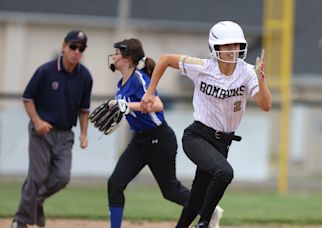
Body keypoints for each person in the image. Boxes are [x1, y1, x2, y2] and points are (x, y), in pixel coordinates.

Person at [140, 21, 272, 228]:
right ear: (215, 48)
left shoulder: (247, 72)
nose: (233, 50)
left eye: (236, 45)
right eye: (227, 46)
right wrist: (149, 92)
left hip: (223, 143)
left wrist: (261, 79)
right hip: (197, 136)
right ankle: (204, 223)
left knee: (197, 196)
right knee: (225, 173)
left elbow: (265, 105)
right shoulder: (202, 67)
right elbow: (165, 59)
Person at [106, 38, 223, 228]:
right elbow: (128, 110)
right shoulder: (122, 83)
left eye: (117, 53)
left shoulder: (139, 79)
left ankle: (208, 210)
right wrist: (118, 109)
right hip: (139, 141)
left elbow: (158, 105)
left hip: (159, 139)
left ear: (128, 58)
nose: (114, 56)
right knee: (115, 183)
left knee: (170, 191)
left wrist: (127, 105)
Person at [12, 30, 93, 228]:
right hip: (42, 131)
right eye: (73, 47)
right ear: (64, 47)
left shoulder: (85, 77)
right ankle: (21, 221)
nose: (76, 51)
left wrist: (84, 133)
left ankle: (35, 203)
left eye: (81, 48)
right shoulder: (46, 71)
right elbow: (27, 98)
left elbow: (84, 110)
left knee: (62, 177)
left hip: (66, 134)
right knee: (37, 176)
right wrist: (37, 121)